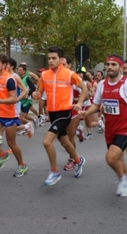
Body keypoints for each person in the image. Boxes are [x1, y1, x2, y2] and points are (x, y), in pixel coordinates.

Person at [82, 54, 127, 196]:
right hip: (110, 129)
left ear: (120, 68)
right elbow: (96, 105)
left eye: (113, 65)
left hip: (126, 127)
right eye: (107, 64)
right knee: (118, 159)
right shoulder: (102, 84)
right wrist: (85, 113)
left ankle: (122, 180)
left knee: (110, 158)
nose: (109, 67)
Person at [32, 46, 86, 186]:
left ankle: (54, 171)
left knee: (46, 142)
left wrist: (79, 102)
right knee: (65, 142)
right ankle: (79, 161)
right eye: (49, 58)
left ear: (61, 60)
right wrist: (36, 95)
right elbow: (39, 92)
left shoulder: (69, 74)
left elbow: (85, 88)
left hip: (64, 113)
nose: (50, 61)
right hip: (52, 113)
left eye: (54, 58)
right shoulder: (44, 75)